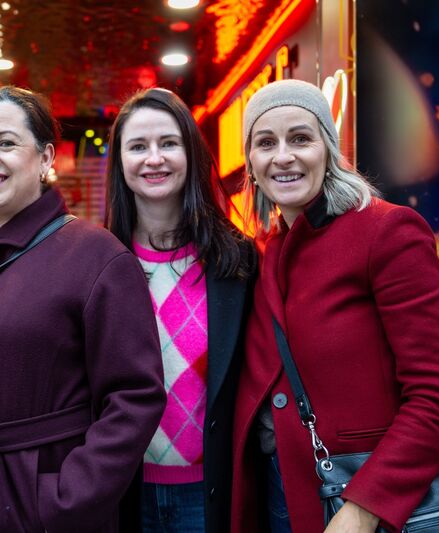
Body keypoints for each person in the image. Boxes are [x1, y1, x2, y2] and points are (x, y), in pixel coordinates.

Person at [0, 86, 166, 533]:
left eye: (6, 143)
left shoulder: (95, 256)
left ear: (47, 157)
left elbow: (135, 397)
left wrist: (63, 500)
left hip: (41, 506)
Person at [231, 79, 439, 533]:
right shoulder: (269, 249)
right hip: (286, 498)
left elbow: (437, 401)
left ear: (329, 150)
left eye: (300, 138)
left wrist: (362, 510)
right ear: (252, 164)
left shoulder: (387, 231)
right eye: (265, 143)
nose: (283, 155)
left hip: (364, 508)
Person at [105, 88, 255, 533]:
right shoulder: (96, 261)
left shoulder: (238, 261)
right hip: (123, 491)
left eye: (168, 143)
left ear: (190, 151)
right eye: (138, 147)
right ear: (120, 163)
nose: (154, 158)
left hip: (211, 493)